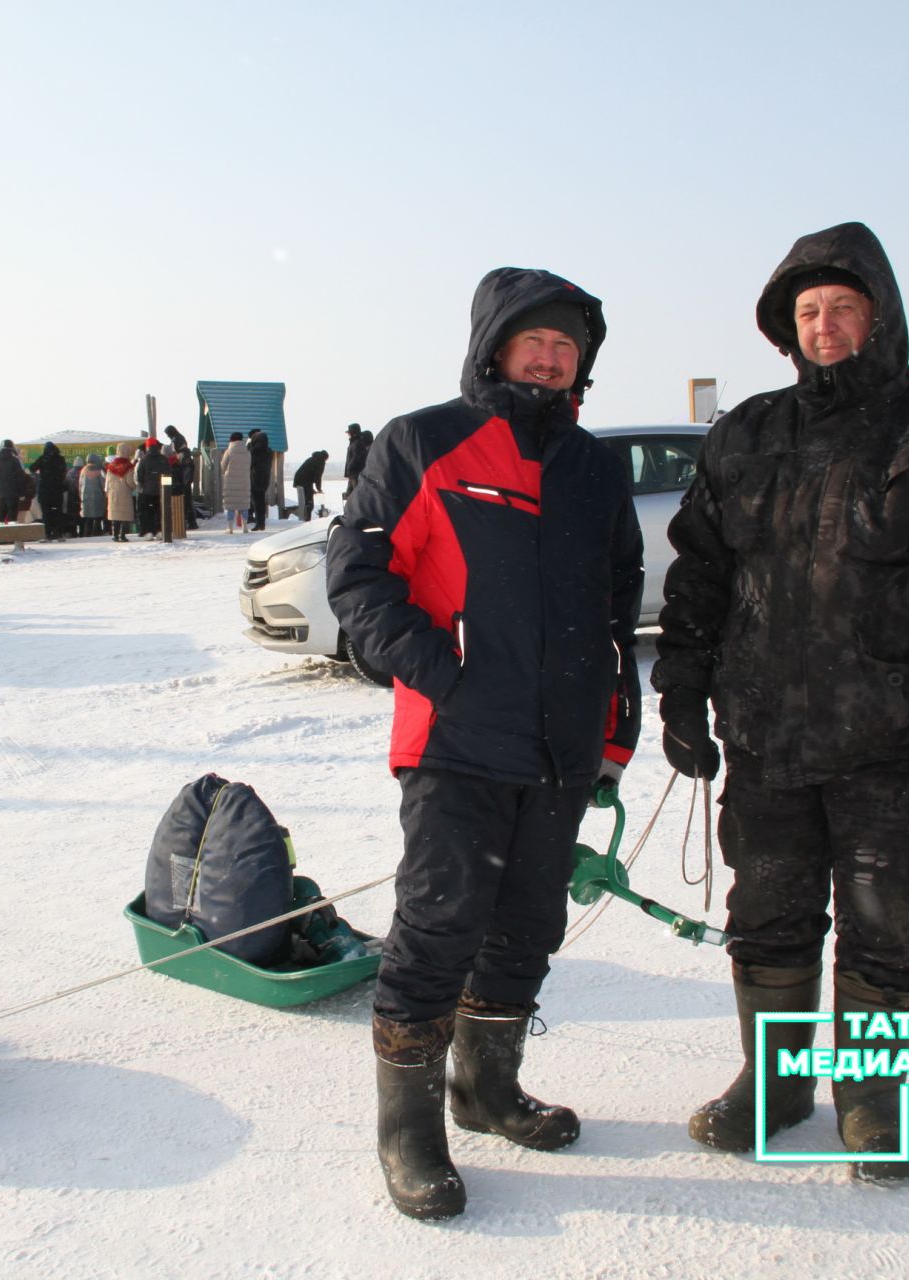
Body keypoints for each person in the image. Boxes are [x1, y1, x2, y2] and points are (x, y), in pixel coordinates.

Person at [651, 222, 909, 1184]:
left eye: (842, 309)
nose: (824, 327)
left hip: (894, 745)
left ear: (880, 316)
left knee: (889, 922)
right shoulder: (747, 432)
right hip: (768, 740)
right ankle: (777, 1083)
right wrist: (683, 692)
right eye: (808, 312)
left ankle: (871, 1099)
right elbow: (699, 574)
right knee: (769, 916)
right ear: (787, 328)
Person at [327, 267, 642, 1221]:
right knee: (438, 928)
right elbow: (358, 574)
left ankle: (485, 1089)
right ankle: (410, 1133)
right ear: (496, 347)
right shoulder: (424, 440)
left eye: (566, 348)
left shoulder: (591, 466)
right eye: (533, 342)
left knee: (528, 927)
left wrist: (614, 727)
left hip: (560, 744)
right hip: (457, 737)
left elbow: (618, 605)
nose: (550, 359)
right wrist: (440, 672)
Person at [31, 441, 69, 540]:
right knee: (58, 513)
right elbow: (64, 471)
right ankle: (59, 534)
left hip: (45, 491)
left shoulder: (43, 458)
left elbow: (32, 468)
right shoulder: (60, 459)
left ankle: (47, 535)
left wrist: (41, 473)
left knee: (46, 513)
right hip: (57, 490)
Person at [218, 431, 250, 533]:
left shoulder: (229, 451)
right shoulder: (247, 452)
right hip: (244, 481)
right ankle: (245, 526)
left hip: (230, 482)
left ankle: (230, 527)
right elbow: (249, 465)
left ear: (231, 440)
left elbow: (222, 467)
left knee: (230, 506)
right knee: (244, 504)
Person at [0, 441, 29, 524]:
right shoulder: (15, 461)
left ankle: (0, 535)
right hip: (13, 495)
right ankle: (11, 536)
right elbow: (20, 478)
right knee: (12, 520)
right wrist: (22, 493)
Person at [105, 444, 136, 540]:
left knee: (116, 515)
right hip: (124, 494)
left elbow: (107, 482)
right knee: (124, 516)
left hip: (113, 494)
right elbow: (130, 482)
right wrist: (134, 487)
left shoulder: (111, 466)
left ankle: (115, 535)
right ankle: (122, 535)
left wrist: (107, 492)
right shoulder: (129, 466)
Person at [134, 437, 163, 537]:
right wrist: (164, 487)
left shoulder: (144, 460)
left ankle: (148, 531)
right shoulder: (163, 459)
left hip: (146, 492)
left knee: (146, 513)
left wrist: (142, 487)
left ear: (147, 447)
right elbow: (168, 474)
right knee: (159, 512)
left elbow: (139, 477)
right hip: (161, 492)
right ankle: (159, 530)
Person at [246, 428, 274, 530]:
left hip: (255, 479)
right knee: (261, 502)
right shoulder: (269, 451)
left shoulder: (254, 451)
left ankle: (259, 523)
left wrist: (249, 446)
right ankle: (262, 523)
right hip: (265, 479)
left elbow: (250, 463)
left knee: (257, 503)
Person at [77, 453, 108, 537]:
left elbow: (80, 485)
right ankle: (96, 533)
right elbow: (104, 485)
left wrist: (81, 496)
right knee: (97, 517)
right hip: (98, 497)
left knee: (87, 518)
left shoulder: (83, 470)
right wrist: (105, 495)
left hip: (86, 497)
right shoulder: (99, 471)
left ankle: (86, 533)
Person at [292, 449, 329, 521]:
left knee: (305, 499)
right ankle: (307, 519)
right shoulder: (320, 462)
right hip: (304, 481)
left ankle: (306, 516)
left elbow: (309, 474)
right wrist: (319, 489)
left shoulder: (312, 459)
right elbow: (317, 477)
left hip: (298, 479)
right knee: (309, 502)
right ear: (325, 458)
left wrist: (312, 489)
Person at [342, 422, 371, 499]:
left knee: (357, 496)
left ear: (353, 433)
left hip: (355, 474)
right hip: (352, 474)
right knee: (350, 495)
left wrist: (350, 467)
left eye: (349, 433)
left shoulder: (357, 443)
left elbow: (357, 457)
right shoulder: (354, 443)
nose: (348, 434)